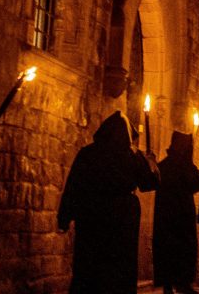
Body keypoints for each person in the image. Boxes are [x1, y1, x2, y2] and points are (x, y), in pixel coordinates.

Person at [58, 112, 159, 293]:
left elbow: (74, 185)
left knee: (90, 263)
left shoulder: (88, 153)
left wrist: (64, 217)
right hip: (122, 216)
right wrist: (151, 163)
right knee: (119, 264)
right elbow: (149, 183)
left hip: (92, 213)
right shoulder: (132, 156)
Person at [153, 130, 199, 294]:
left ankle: (170, 284)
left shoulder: (165, 165)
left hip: (168, 216)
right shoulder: (181, 166)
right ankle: (181, 282)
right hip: (180, 215)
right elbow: (193, 184)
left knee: (169, 248)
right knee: (181, 248)